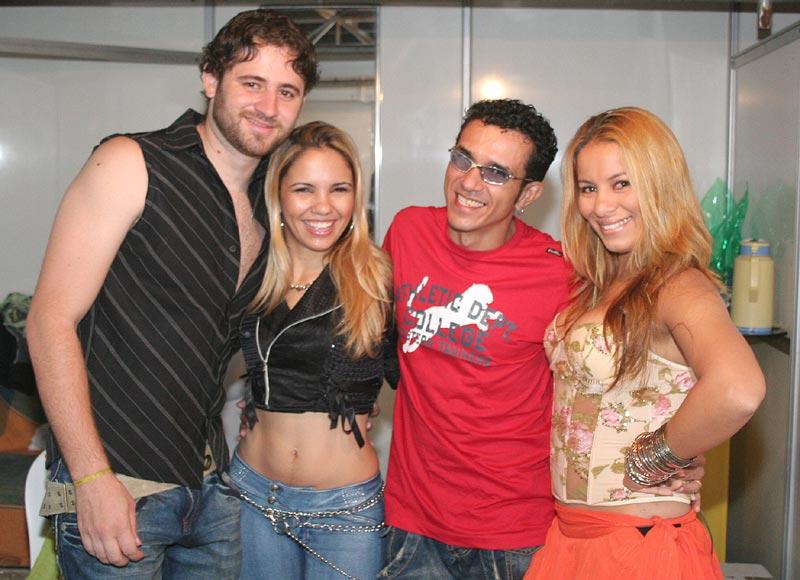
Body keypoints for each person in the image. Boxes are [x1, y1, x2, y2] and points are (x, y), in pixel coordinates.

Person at [26, 9, 317, 579]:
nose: (268, 105)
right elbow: (49, 322)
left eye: (287, 91)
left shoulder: (271, 204)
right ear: (210, 80)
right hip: (119, 481)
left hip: (211, 487)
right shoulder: (132, 162)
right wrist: (91, 478)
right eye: (251, 83)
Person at [524, 107, 765, 579]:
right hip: (573, 539)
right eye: (588, 188)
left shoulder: (677, 284)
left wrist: (655, 458)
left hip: (637, 549)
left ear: (660, 185)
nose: (601, 206)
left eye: (621, 183)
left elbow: (738, 389)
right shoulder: (600, 282)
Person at [378, 99, 569, 579]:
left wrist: (669, 458)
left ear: (528, 194)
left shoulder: (560, 273)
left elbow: (607, 382)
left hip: (514, 534)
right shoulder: (408, 231)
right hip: (412, 521)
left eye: (496, 173)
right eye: (462, 159)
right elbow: (365, 332)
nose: (468, 182)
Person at [229, 121, 396, 579]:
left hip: (344, 510)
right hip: (252, 494)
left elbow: (421, 379)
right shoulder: (253, 272)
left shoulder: (378, 278)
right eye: (304, 189)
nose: (323, 206)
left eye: (339, 189)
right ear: (279, 196)